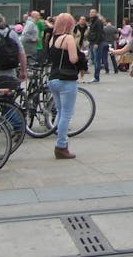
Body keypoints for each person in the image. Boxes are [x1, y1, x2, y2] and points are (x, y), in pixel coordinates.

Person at [46, 12, 81, 159]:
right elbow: (73, 59)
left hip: (53, 78)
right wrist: (81, 56)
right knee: (66, 114)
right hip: (66, 79)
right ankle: (61, 146)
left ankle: (61, 142)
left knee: (60, 112)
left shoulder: (52, 39)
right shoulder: (68, 38)